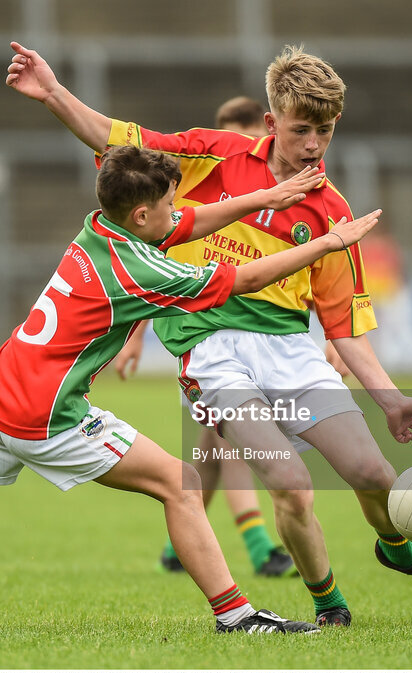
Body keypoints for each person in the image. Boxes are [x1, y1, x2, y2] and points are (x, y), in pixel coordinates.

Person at [0, 145, 384, 635]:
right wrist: (328, 243)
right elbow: (245, 277)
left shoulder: (100, 226)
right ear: (143, 216)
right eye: (169, 203)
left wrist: (267, 197)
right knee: (178, 487)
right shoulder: (141, 272)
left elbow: (186, 223)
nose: (179, 211)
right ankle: (237, 616)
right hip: (47, 415)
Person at [6, 41, 412, 628]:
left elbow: (344, 327)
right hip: (211, 353)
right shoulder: (215, 155)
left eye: (326, 131)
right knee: (290, 482)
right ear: (271, 123)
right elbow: (116, 140)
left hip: (290, 350)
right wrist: (52, 92)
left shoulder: (332, 211)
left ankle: (399, 549)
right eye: (302, 129)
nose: (314, 145)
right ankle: (331, 608)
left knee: (374, 476)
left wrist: (391, 399)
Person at [114, 96, 297, 578]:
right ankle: (260, 548)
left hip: (258, 344)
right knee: (229, 446)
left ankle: (179, 547)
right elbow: (155, 273)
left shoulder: (284, 198)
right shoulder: (191, 201)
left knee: (211, 451)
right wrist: (134, 337)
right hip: (204, 346)